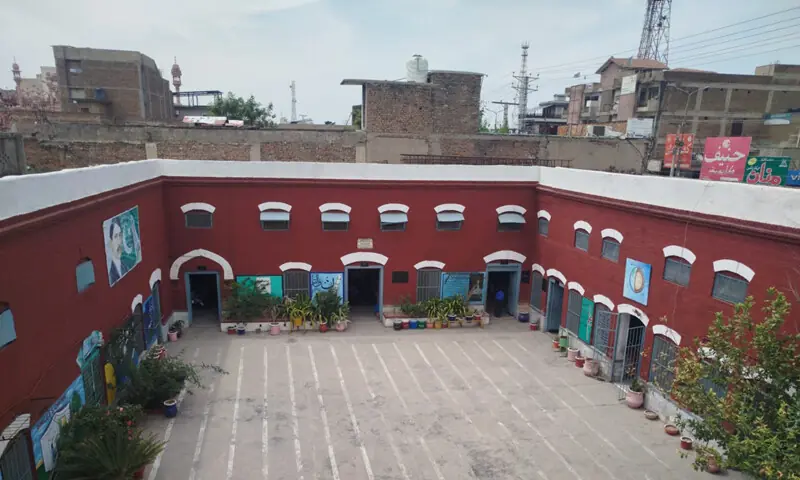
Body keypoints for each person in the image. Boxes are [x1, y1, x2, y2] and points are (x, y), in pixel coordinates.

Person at [107, 218, 127, 285]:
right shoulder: (109, 274)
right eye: (115, 236)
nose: (119, 241)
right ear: (110, 242)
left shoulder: (125, 267)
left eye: (120, 235)